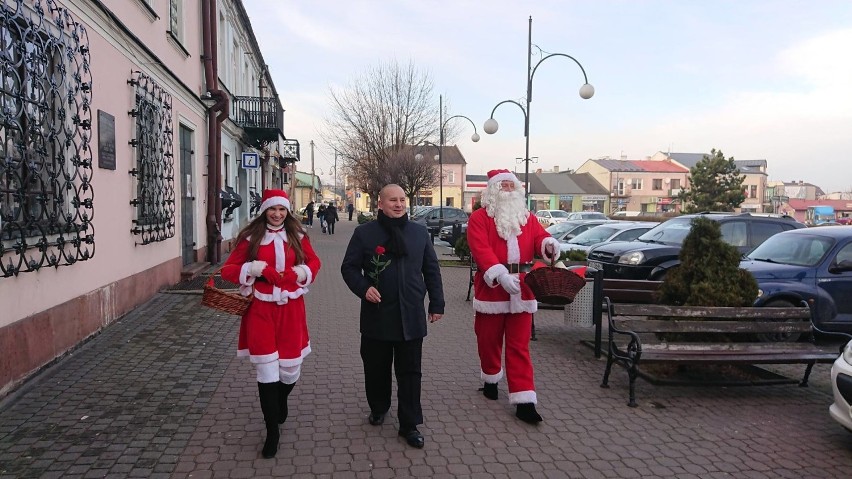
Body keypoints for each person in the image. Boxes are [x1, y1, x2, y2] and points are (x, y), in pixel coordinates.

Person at [341, 184, 444, 449]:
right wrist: (364, 289)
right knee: (376, 369)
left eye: (402, 200)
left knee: (410, 373)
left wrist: (437, 303)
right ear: (380, 203)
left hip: (410, 315)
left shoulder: (419, 233)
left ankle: (409, 425)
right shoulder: (364, 233)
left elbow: (431, 270)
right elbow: (349, 268)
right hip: (377, 315)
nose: (398, 204)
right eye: (392, 200)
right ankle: (379, 406)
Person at [220, 189, 321, 459]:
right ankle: (272, 431)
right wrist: (254, 269)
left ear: (287, 212)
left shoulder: (298, 236)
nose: (277, 214)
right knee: (267, 372)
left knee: (290, 371)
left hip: (291, 309)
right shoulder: (251, 237)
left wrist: (297, 273)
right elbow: (228, 270)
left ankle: (281, 399)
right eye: (272, 209)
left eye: (282, 210)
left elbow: (314, 262)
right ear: (264, 210)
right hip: (260, 310)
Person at [466, 169, 560, 424]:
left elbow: (541, 238)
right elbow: (481, 249)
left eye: (511, 185)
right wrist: (499, 275)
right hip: (493, 287)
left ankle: (524, 401)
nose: (507, 189)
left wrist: (548, 246)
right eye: (503, 185)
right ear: (493, 190)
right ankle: (490, 378)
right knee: (488, 340)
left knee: (519, 347)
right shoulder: (479, 218)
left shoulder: (526, 217)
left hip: (523, 288)